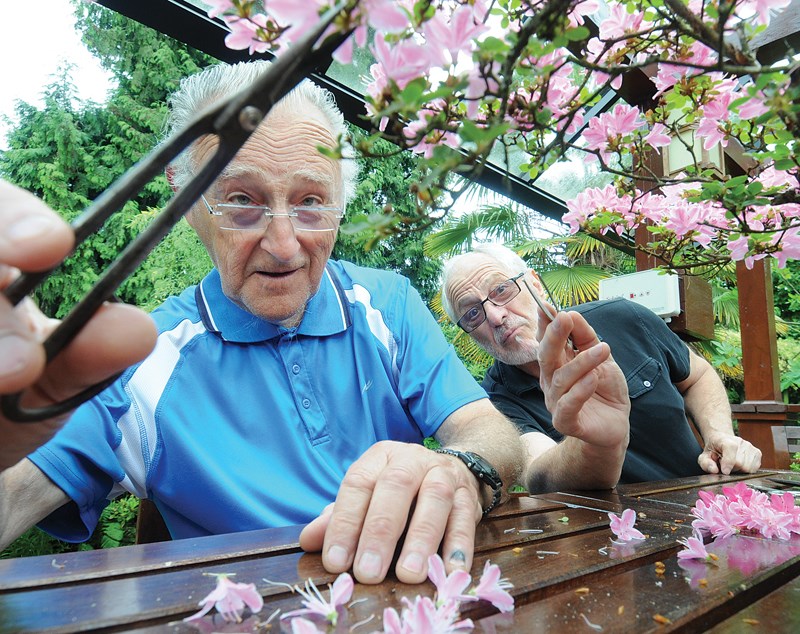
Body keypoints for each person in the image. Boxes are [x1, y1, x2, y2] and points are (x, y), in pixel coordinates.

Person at [0, 61, 524, 585]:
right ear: (186, 200)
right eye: (241, 200)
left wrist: (462, 469)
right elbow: (13, 497)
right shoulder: (141, 359)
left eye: (311, 202)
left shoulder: (385, 304)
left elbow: (488, 430)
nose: (282, 244)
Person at [440, 244, 762, 492]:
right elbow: (538, 473)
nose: (495, 316)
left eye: (501, 290)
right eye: (471, 314)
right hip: (613, 544)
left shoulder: (624, 317)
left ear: (534, 284)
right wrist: (597, 443)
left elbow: (697, 376)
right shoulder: (495, 400)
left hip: (712, 498)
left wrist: (719, 434)